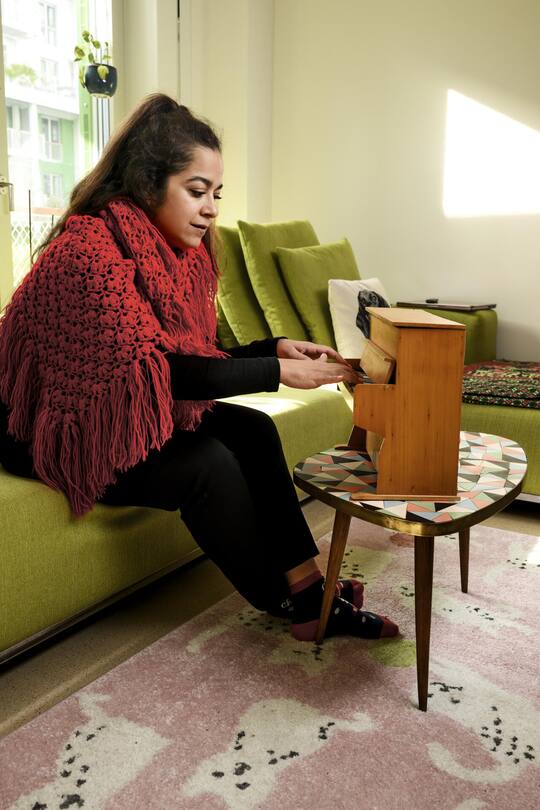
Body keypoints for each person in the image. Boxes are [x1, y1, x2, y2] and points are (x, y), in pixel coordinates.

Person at [0, 93, 398, 642]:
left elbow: (185, 362)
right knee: (206, 463)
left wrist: (271, 349)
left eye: (216, 193)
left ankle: (309, 588)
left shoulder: (176, 256)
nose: (211, 208)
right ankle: (292, 601)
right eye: (196, 191)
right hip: (56, 429)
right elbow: (159, 375)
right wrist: (275, 375)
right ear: (147, 183)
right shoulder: (89, 251)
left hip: (115, 411)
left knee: (254, 429)